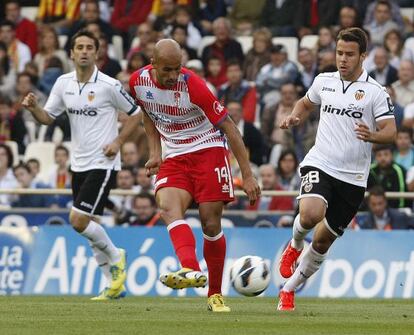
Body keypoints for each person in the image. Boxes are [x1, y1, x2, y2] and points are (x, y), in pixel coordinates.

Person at [129, 39, 260, 312]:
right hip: (175, 154)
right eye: (167, 70)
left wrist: (247, 175)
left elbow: (231, 129)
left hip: (208, 149)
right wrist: (156, 151)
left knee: (210, 224)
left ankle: (214, 294)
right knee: (167, 207)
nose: (173, 76)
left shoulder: (194, 86)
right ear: (153, 65)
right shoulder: (138, 83)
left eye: (177, 69)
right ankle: (189, 268)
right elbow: (147, 114)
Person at [277, 27, 396, 311]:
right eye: (339, 53)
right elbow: (304, 104)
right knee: (310, 214)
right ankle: (293, 244)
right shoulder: (324, 81)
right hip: (321, 161)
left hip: (354, 177)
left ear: (363, 56)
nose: (343, 59)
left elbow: (390, 131)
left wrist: (373, 136)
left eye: (349, 54)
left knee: (322, 241)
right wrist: (294, 116)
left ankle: (288, 290)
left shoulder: (375, 93)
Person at [22, 29, 142, 301]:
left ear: (97, 53)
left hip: (104, 162)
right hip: (78, 163)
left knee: (77, 220)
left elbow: (136, 113)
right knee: (90, 223)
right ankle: (113, 286)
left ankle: (115, 255)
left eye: (90, 47)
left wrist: (118, 142)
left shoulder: (109, 86)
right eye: (80, 47)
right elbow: (47, 118)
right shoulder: (63, 84)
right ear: (72, 53)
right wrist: (33, 109)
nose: (85, 51)